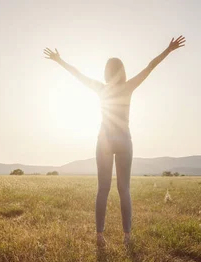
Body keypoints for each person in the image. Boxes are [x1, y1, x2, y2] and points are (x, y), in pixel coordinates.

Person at [43, 36, 186, 247]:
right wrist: (168, 49)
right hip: (124, 140)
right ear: (122, 72)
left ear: (106, 73)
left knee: (103, 188)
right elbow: (149, 67)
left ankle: (99, 236)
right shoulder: (128, 87)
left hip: (105, 140)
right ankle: (127, 236)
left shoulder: (101, 88)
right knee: (124, 189)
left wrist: (59, 60)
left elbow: (78, 75)